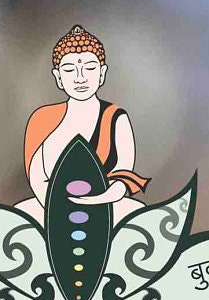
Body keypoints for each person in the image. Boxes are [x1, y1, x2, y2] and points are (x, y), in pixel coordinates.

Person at [19, 25, 148, 220]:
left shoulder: (115, 117)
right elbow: (37, 177)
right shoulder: (43, 119)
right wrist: (58, 205)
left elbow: (124, 175)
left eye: (89, 68)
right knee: (17, 216)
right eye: (70, 69)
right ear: (58, 77)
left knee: (140, 216)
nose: (80, 78)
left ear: (102, 73)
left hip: (106, 207)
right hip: (51, 206)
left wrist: (100, 199)